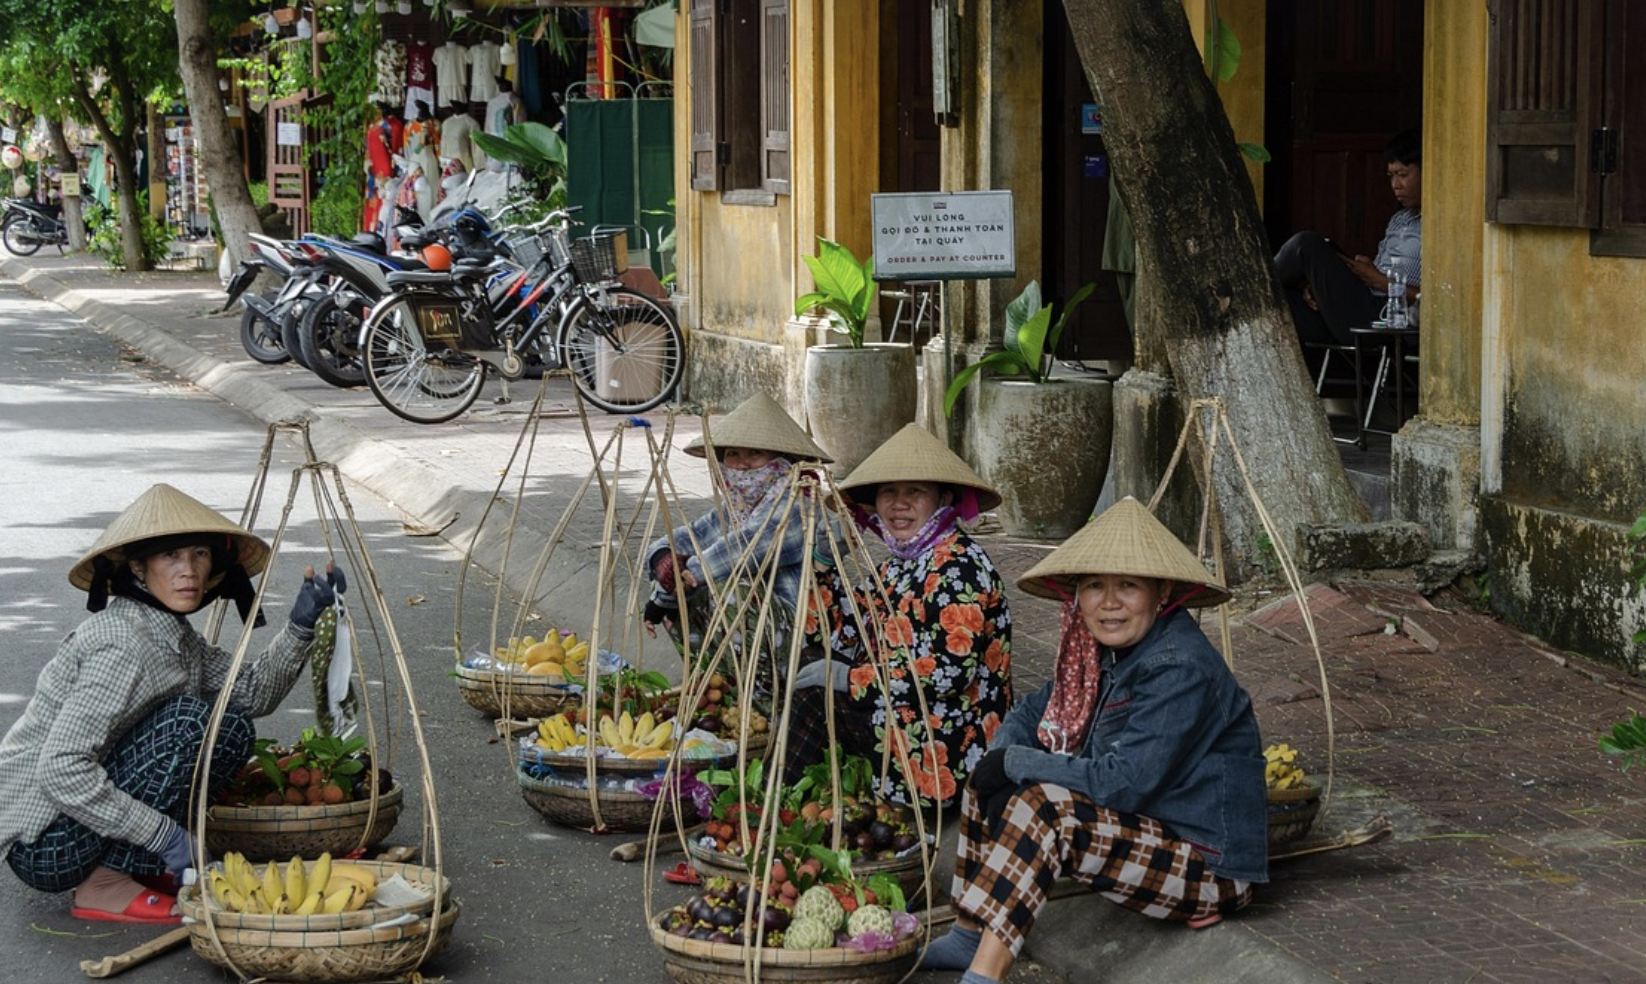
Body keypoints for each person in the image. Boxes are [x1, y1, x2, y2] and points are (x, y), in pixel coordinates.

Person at [919, 497, 1267, 984]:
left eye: (1127, 586)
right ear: (1076, 596)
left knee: (1044, 807)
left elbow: (1123, 785)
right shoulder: (1095, 652)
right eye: (1094, 587)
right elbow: (1032, 710)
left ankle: (984, 975)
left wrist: (1018, 762)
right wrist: (1002, 759)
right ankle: (968, 933)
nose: (1108, 603)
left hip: (1205, 865)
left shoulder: (1177, 667)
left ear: (1161, 592)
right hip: (1145, 832)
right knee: (990, 775)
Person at [0, 485, 344, 924]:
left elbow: (252, 693)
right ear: (140, 568)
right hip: (46, 841)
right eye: (171, 557)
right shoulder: (123, 643)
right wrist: (164, 836)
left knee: (230, 726)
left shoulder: (175, 636)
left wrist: (300, 624)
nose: (189, 571)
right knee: (190, 723)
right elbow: (61, 768)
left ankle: (131, 866)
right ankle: (104, 882)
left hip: (81, 820)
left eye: (199, 554)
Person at [787, 423, 1013, 809]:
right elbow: (840, 632)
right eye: (888, 493)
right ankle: (793, 797)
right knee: (807, 664)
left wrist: (850, 679)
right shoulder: (902, 562)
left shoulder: (959, 566)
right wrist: (825, 563)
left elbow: (948, 672)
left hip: (947, 738)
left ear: (943, 499)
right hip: (904, 706)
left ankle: (774, 806)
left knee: (814, 696)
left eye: (915, 492)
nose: (898, 504)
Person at [642, 392, 832, 649]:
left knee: (729, 591)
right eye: (733, 454)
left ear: (781, 459)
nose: (742, 465)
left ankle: (768, 683)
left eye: (755, 453)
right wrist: (664, 564)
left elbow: (746, 549)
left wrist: (671, 589)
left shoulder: (799, 504)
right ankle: (717, 676)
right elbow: (687, 539)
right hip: (748, 633)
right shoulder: (736, 510)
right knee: (673, 578)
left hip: (795, 629)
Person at [1274, 128, 1422, 347]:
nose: (1395, 185)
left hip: (1389, 318)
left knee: (1306, 244)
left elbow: (1443, 301)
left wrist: (1383, 282)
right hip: (1361, 305)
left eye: (1403, 175)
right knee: (1279, 304)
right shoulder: (1399, 220)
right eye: (1391, 176)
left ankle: (1251, 281)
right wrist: (1320, 287)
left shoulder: (1446, 228)